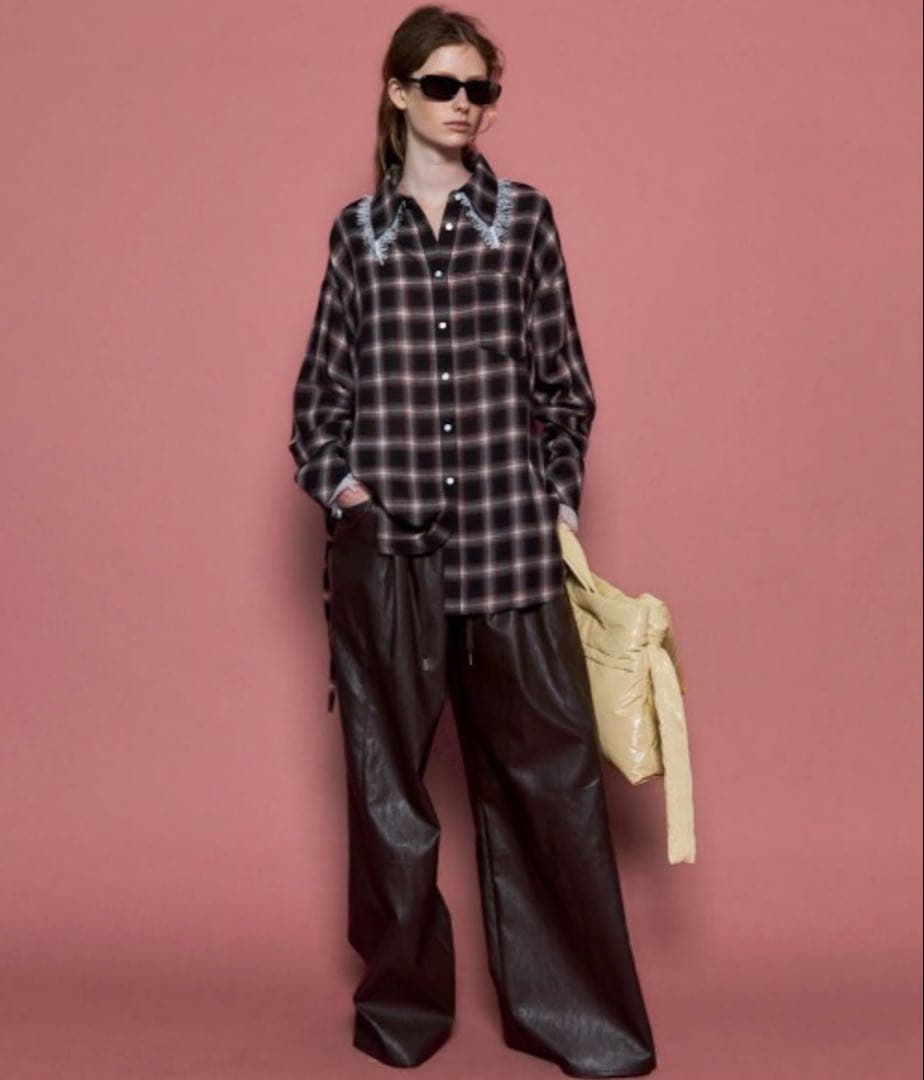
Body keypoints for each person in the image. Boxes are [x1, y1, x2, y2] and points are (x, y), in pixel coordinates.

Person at [288, 6, 657, 1076]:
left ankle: (577, 1024)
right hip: (389, 559)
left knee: (551, 790)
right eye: (443, 85)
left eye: (479, 89)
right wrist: (347, 492)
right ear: (400, 91)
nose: (463, 106)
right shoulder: (358, 236)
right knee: (389, 800)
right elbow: (318, 403)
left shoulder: (525, 221)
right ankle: (404, 1017)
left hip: (509, 551)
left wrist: (556, 504)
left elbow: (566, 390)